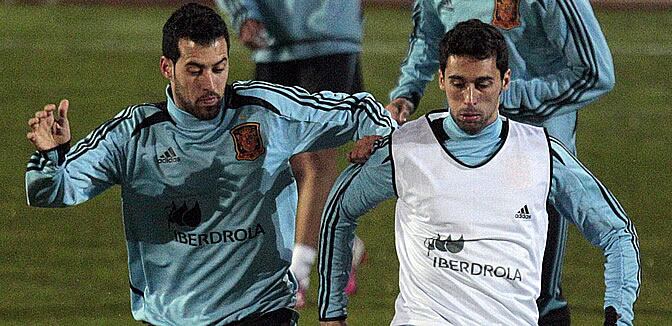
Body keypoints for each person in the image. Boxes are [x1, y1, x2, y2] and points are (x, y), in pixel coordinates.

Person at [25, 3, 394, 325]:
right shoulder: (134, 135)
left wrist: (380, 134)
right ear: (167, 68)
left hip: (262, 311)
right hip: (173, 315)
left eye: (219, 68)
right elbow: (53, 190)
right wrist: (50, 155)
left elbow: (354, 111)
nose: (212, 84)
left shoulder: (262, 112)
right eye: (196, 70)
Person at [318, 20, 639, 325]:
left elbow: (617, 233)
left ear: (505, 81)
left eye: (483, 84)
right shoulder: (405, 149)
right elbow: (339, 212)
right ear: (441, 79)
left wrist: (618, 318)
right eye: (458, 84)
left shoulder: (542, 154)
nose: (469, 100)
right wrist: (332, 313)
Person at [384, 1, 616, 323]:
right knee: (458, 288)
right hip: (464, 153)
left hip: (535, 161)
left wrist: (510, 96)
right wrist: (406, 94)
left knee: (537, 295)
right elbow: (428, 36)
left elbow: (595, 73)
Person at [216, 0, 368, 306]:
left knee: (316, 161)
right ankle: (341, 243)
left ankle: (295, 275)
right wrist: (244, 14)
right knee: (278, 162)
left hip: (330, 40)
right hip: (273, 39)